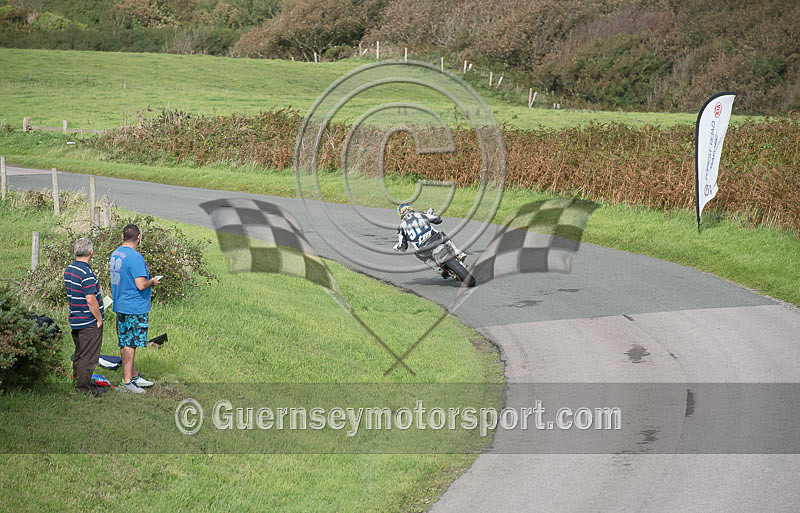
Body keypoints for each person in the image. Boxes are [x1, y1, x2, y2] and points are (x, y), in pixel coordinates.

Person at [110, 224, 159, 394]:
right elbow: (140, 284)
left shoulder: (116, 253)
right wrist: (152, 281)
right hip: (134, 306)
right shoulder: (135, 257)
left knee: (125, 341)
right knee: (131, 343)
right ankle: (127, 382)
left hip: (120, 303)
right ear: (139, 237)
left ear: (122, 236)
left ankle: (133, 374)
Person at [63, 237, 106, 396]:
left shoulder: (69, 269)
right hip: (88, 321)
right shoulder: (86, 272)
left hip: (76, 318)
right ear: (91, 253)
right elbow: (90, 299)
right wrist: (99, 318)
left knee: (80, 353)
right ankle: (83, 388)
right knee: (89, 357)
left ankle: (79, 380)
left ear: (75, 251)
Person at [393, 203, 466, 276]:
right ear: (410, 208)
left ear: (400, 214)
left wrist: (398, 246)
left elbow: (403, 248)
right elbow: (437, 220)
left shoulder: (401, 228)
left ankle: (438, 269)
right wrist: (433, 215)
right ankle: (457, 252)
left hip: (423, 250)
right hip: (436, 239)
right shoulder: (420, 214)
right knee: (442, 234)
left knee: (418, 254)